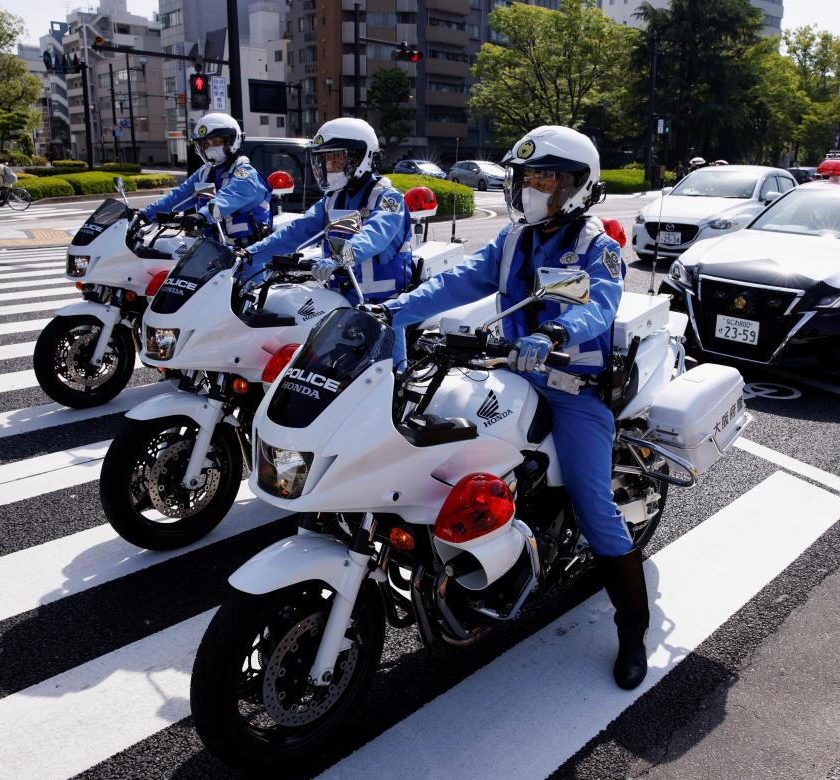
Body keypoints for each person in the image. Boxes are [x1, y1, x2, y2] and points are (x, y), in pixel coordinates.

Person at [370, 125, 651, 690]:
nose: (531, 189)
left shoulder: (598, 245)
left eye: (545, 179)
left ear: (577, 186)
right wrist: (395, 310)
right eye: (526, 179)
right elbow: (457, 281)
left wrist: (555, 333)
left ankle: (632, 633)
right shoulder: (512, 240)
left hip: (573, 384)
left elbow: (600, 304)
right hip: (507, 372)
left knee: (596, 508)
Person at [241, 117, 412, 302]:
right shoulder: (332, 200)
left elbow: (373, 236)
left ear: (361, 157)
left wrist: (339, 258)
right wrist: (249, 254)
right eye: (324, 161)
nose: (328, 168)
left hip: (386, 307)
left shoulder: (388, 199)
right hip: (341, 301)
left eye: (336, 160)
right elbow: (297, 231)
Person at [140, 113, 271, 246]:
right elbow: (180, 195)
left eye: (216, 142)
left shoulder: (245, 173)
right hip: (215, 249)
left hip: (250, 251)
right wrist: (145, 213)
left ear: (232, 140)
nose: (210, 148)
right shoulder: (207, 173)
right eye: (205, 144)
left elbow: (226, 199)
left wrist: (202, 216)